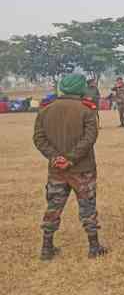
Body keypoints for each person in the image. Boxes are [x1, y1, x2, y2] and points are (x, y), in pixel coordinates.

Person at [33, 73, 108, 260]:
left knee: (53, 207)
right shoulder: (86, 110)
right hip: (82, 169)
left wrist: (55, 158)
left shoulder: (45, 110)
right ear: (79, 88)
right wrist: (71, 159)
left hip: (56, 170)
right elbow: (89, 138)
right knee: (87, 207)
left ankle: (46, 247)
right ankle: (94, 246)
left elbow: (39, 138)